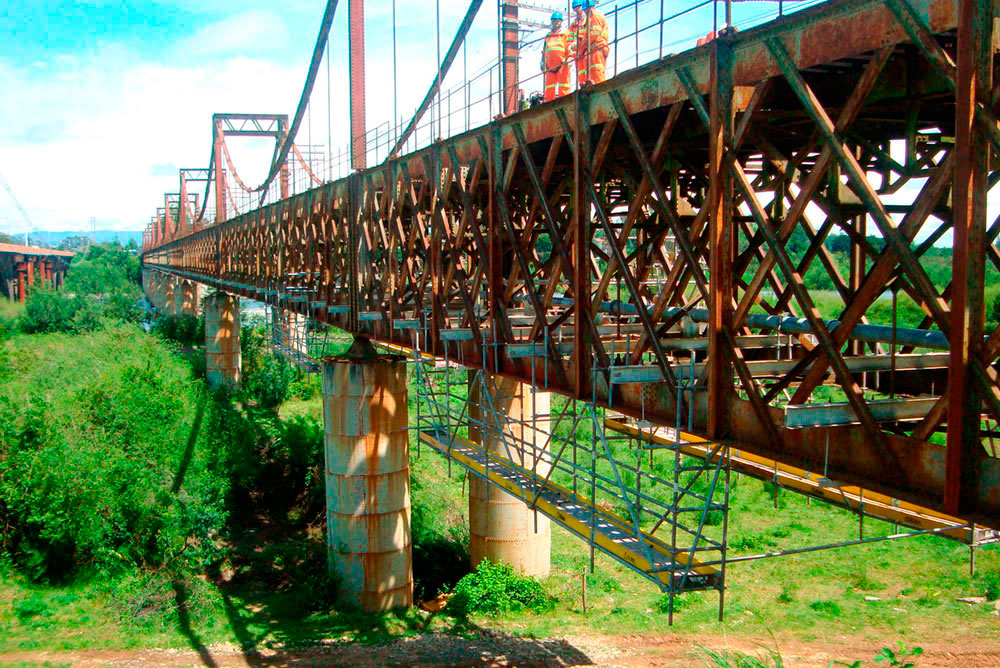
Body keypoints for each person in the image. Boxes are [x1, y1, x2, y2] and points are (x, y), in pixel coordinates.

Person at [568, 0, 609, 87]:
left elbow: (594, 33)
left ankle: (600, 88)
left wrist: (582, 42)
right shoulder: (582, 21)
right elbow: (571, 38)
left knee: (597, 70)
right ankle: (590, 85)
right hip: (590, 49)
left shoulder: (595, 17)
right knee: (591, 71)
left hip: (597, 47)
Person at [540, 11, 571, 101]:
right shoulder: (548, 36)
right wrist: (542, 62)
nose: (555, 22)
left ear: (561, 21)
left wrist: (570, 59)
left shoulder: (566, 33)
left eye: (557, 20)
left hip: (562, 65)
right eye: (553, 20)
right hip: (549, 67)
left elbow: (569, 47)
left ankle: (565, 104)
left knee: (563, 88)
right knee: (549, 90)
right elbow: (544, 50)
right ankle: (548, 107)